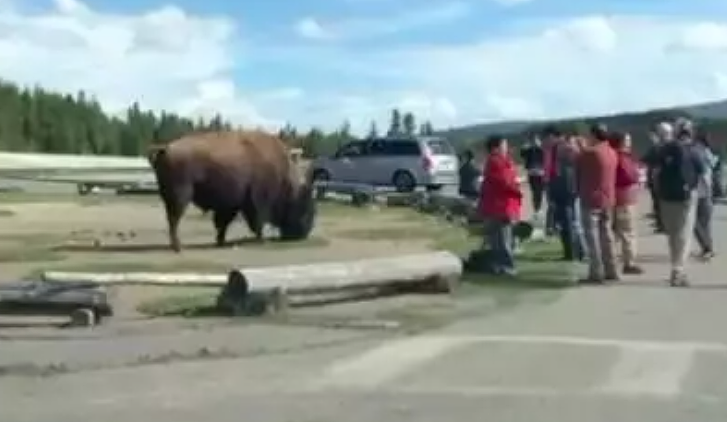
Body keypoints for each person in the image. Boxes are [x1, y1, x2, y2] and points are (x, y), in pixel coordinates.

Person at [654, 118, 705, 286]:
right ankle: (678, 270)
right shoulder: (694, 150)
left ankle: (676, 266)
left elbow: (654, 169)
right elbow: (702, 171)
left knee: (673, 234)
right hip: (686, 197)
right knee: (684, 235)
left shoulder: (665, 149)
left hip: (666, 196)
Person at [576, 123, 620, 283]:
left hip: (591, 199)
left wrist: (580, 146)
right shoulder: (612, 152)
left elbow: (578, 161)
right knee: (607, 235)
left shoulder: (591, 153)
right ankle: (612, 269)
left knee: (592, 237)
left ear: (594, 135)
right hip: (608, 199)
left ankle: (596, 272)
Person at [478, 134, 523, 276]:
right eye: (504, 145)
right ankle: (506, 266)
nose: (507, 147)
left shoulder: (500, 161)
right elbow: (504, 181)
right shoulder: (496, 162)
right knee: (502, 238)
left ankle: (500, 265)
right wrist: (517, 186)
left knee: (499, 238)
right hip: (500, 206)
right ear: (496, 147)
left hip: (499, 205)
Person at [548, 131, 585, 261]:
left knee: (570, 224)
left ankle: (574, 253)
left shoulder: (567, 163)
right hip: (570, 194)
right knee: (573, 224)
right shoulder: (573, 159)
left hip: (566, 195)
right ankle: (576, 252)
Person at [610, 131, 644, 274]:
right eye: (627, 140)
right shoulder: (621, 158)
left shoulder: (619, 156)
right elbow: (629, 175)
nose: (630, 143)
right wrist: (637, 175)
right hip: (624, 198)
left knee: (619, 231)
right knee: (627, 231)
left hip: (622, 197)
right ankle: (629, 262)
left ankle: (617, 259)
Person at [693, 130, 718, 261]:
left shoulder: (697, 152)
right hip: (707, 192)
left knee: (695, 223)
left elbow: (703, 174)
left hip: (699, 192)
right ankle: (708, 248)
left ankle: (707, 248)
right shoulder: (709, 152)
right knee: (706, 224)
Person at [642, 123, 671, 233]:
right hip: (655, 177)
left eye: (652, 135)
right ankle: (661, 223)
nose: (651, 138)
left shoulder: (658, 147)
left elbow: (648, 159)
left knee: (659, 202)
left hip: (658, 178)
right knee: (657, 202)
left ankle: (662, 224)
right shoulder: (657, 147)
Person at [520, 135, 545, 216]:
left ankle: (539, 207)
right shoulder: (529, 150)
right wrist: (524, 147)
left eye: (536, 141)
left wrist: (540, 147)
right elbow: (522, 154)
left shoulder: (542, 150)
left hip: (541, 174)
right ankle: (536, 209)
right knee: (534, 192)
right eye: (533, 141)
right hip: (532, 174)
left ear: (539, 141)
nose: (535, 143)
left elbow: (546, 158)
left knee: (540, 192)